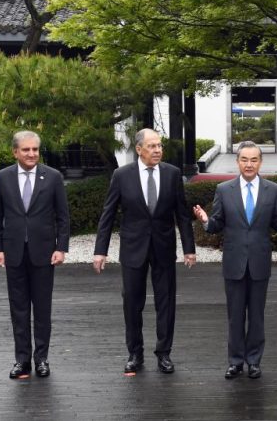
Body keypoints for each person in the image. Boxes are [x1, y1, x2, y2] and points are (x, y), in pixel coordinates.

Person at [193, 141, 277, 379]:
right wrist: (204, 220)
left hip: (259, 263)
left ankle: (254, 361)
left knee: (256, 315)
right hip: (234, 263)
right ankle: (235, 361)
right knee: (235, 316)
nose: (249, 164)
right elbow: (216, 224)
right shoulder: (224, 190)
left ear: (260, 163)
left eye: (254, 160)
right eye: (244, 159)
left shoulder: (273, 190)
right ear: (237, 162)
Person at [93, 128, 196, 375]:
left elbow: (182, 215)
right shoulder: (122, 175)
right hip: (133, 248)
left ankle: (164, 353)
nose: (158, 150)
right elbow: (108, 215)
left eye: (159, 146)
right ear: (139, 149)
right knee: (132, 303)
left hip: (163, 247)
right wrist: (100, 250)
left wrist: (189, 249)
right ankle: (134, 354)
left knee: (166, 303)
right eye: (152, 146)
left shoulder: (172, 174)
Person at [0, 131, 70, 379]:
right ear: (15, 152)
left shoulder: (53, 177)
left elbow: (63, 217)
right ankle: (22, 360)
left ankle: (42, 359)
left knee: (42, 309)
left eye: (35, 149)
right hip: (14, 252)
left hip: (44, 253)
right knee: (19, 310)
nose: (31, 154)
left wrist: (61, 247)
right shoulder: (2, 178)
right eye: (26, 150)